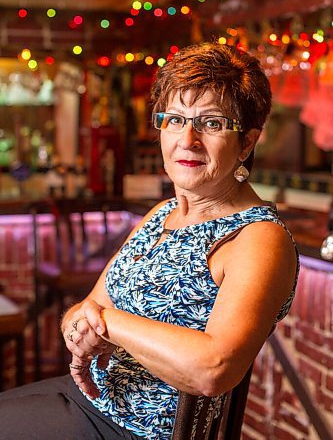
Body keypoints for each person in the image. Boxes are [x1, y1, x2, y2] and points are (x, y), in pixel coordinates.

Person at [0, 42, 299, 439]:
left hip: (138, 431)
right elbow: (85, 308)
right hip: (89, 399)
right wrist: (80, 329)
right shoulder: (162, 214)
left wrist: (107, 325)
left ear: (247, 141)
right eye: (175, 119)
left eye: (211, 123)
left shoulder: (258, 239)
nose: (187, 138)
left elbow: (213, 369)